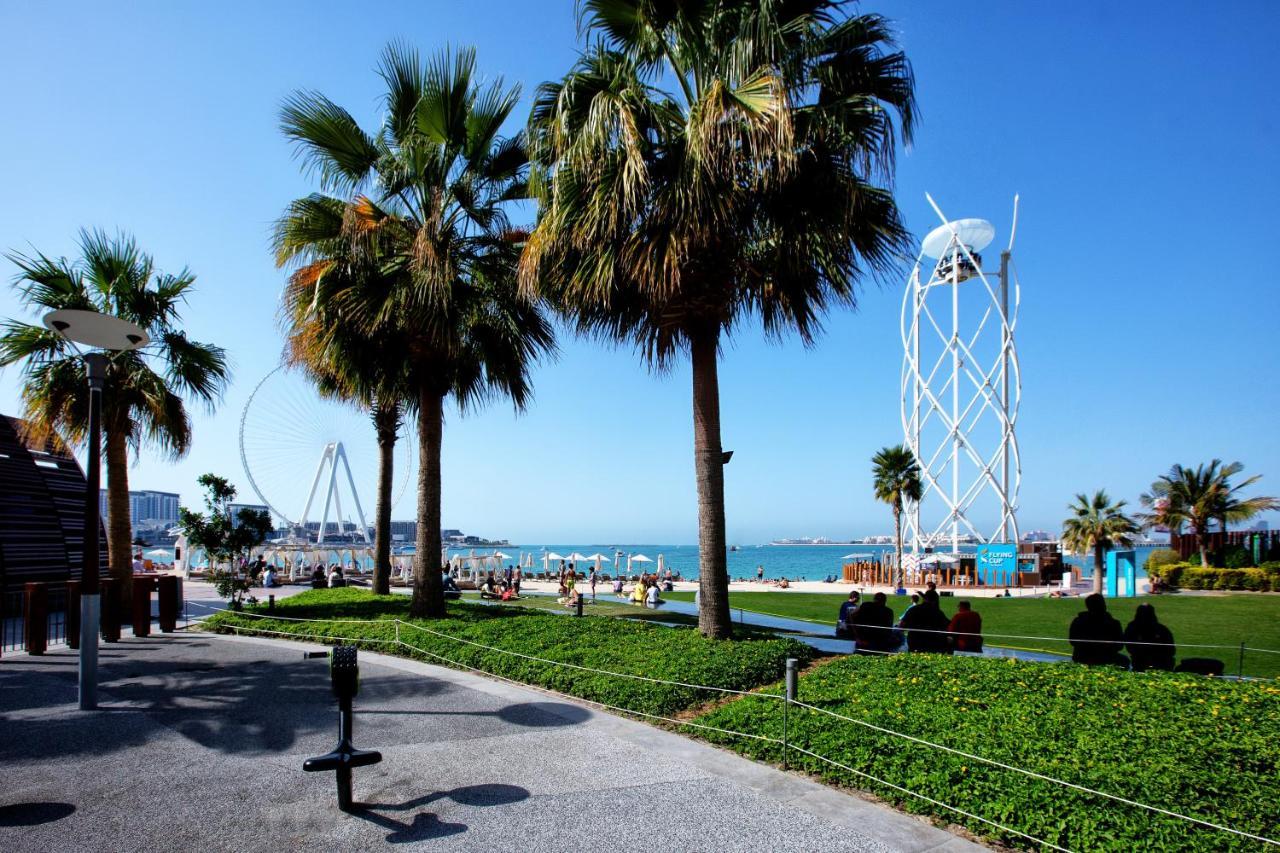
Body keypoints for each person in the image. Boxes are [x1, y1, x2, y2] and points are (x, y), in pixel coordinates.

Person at [1069, 593, 1127, 667]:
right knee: (1124, 661)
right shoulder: (1113, 623)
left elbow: (1073, 641)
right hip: (1105, 658)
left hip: (1082, 656)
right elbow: (1119, 645)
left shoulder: (1078, 621)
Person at [1124, 603, 1176, 671]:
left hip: (1157, 661)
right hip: (1142, 661)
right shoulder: (1162, 629)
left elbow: (1171, 650)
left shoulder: (1162, 629)